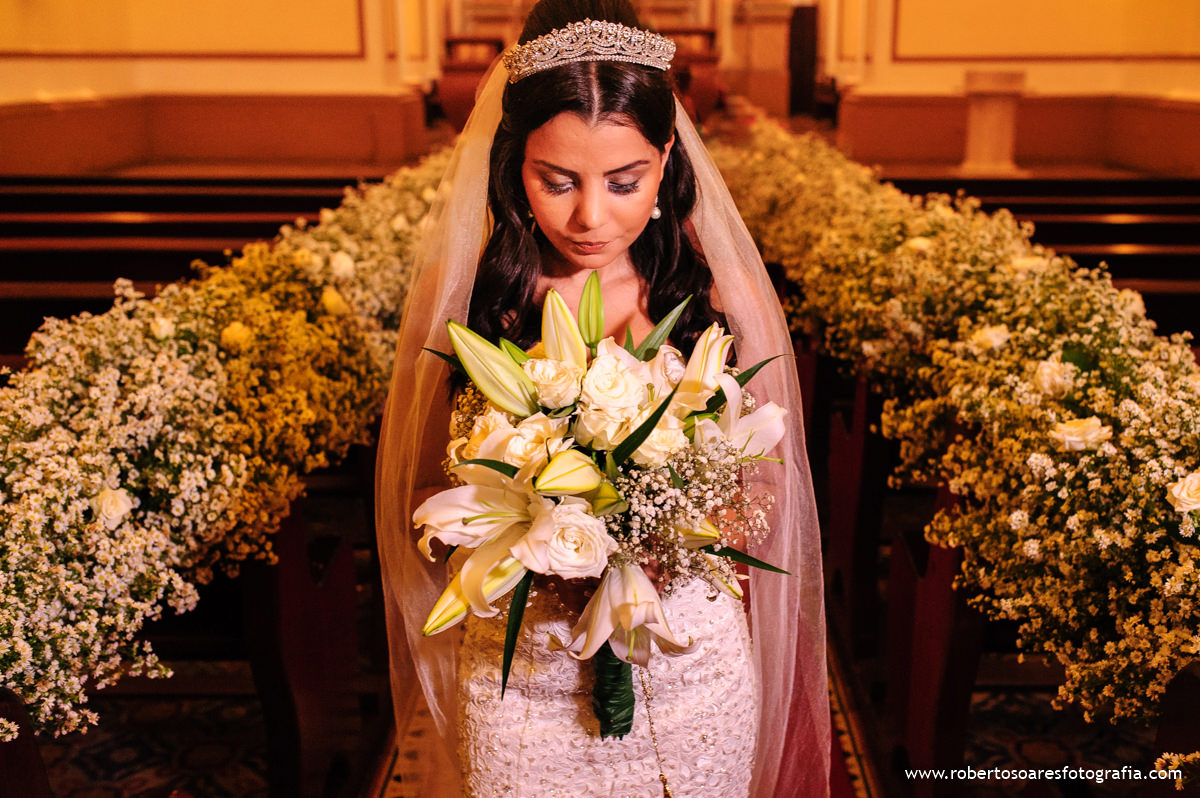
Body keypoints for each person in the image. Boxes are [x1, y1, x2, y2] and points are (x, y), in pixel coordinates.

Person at [375, 1, 830, 795]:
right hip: (524, 684)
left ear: (665, 162)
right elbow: (418, 507)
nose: (590, 216)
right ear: (513, 167)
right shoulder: (482, 308)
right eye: (557, 181)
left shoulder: (707, 296)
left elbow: (766, 484)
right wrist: (531, 548)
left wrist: (664, 535)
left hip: (689, 667)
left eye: (624, 182)